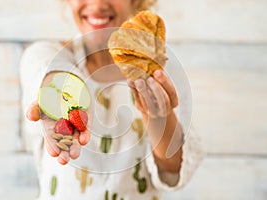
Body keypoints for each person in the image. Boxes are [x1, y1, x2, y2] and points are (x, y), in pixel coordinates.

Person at [20, 0, 203, 199]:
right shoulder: (46, 55)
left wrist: (160, 117)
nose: (97, 4)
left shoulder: (163, 72)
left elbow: (173, 169)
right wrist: (58, 90)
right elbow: (51, 69)